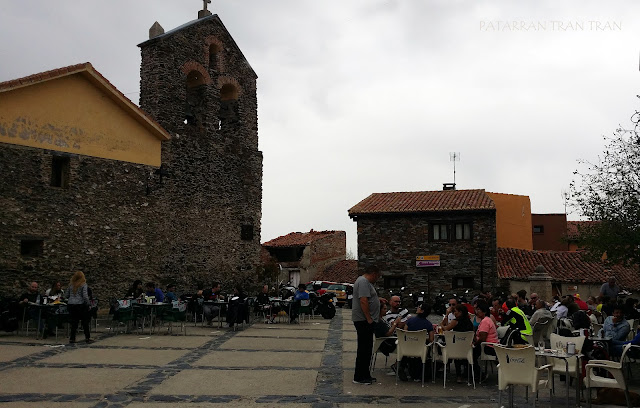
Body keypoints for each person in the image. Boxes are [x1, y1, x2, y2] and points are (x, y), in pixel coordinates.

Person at [351, 265, 381, 385]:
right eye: (377, 276)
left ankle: (365, 374)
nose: (377, 279)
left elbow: (369, 299)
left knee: (367, 349)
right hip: (363, 321)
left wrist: (379, 300)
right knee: (364, 349)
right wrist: (369, 318)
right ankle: (359, 376)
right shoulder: (363, 282)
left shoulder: (363, 282)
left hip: (365, 320)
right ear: (373, 273)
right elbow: (363, 300)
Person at [442, 304, 474, 383]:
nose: (454, 313)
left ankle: (458, 376)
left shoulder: (455, 321)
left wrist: (442, 323)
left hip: (457, 346)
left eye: (455, 312)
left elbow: (446, 329)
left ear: (460, 312)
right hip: (467, 347)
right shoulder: (469, 322)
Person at [404, 302, 435, 381]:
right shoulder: (428, 324)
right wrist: (422, 338)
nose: (417, 308)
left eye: (419, 307)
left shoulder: (410, 321)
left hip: (409, 347)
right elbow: (431, 339)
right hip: (421, 349)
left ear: (422, 311)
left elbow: (405, 333)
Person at [64, 271, 94, 344]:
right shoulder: (83, 285)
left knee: (74, 322)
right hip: (80, 305)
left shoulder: (71, 285)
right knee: (85, 322)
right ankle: (87, 337)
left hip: (71, 304)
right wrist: (89, 304)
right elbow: (85, 296)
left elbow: (66, 295)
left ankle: (72, 338)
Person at [472, 301, 498, 381]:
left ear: (484, 311)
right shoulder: (486, 320)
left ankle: (480, 374)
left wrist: (475, 344)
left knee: (471, 354)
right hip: (489, 345)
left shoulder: (485, 322)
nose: (477, 312)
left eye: (479, 309)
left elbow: (483, 338)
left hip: (488, 346)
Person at [374, 299, 401, 376]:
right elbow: (388, 333)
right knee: (405, 345)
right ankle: (398, 365)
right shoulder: (379, 322)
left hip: (388, 340)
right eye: (384, 309)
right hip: (385, 343)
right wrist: (395, 323)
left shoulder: (381, 319)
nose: (386, 311)